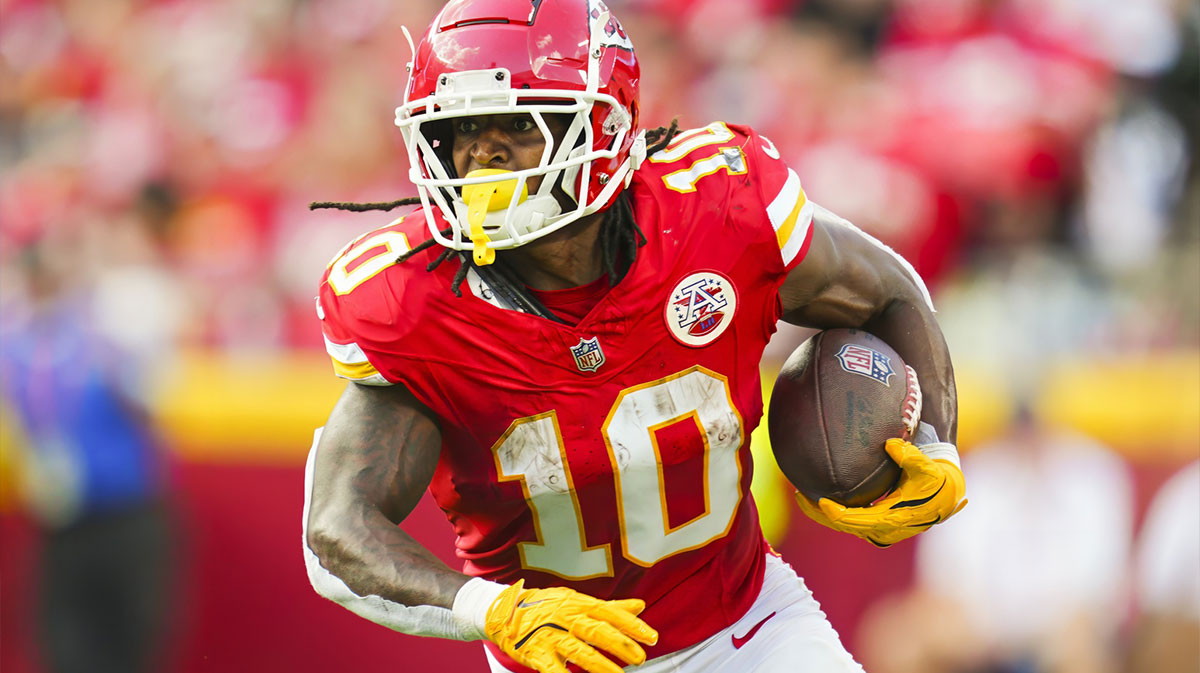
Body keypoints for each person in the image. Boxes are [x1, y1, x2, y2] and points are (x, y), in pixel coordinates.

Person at [302, 1, 966, 672]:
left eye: (518, 123)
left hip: (748, 629)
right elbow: (336, 530)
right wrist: (490, 609)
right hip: (558, 657)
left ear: (605, 124)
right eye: (462, 128)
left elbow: (891, 289)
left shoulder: (716, 212)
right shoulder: (413, 302)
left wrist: (936, 442)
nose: (482, 153)